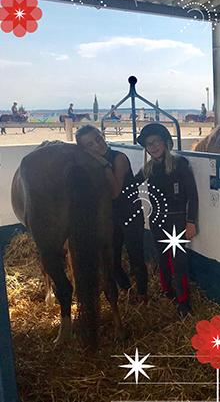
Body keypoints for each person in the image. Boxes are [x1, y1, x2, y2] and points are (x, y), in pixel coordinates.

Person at [75, 125, 148, 304]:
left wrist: (104, 166)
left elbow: (115, 192)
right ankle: (128, 291)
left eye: (98, 139)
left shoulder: (118, 158)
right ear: (84, 149)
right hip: (110, 217)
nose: (97, 145)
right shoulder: (88, 165)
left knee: (135, 256)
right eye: (90, 144)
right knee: (112, 261)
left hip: (130, 212)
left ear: (102, 136)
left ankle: (143, 297)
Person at [136, 123, 198, 318]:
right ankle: (167, 292)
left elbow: (192, 196)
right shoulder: (149, 168)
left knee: (178, 261)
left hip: (178, 221)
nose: (153, 147)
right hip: (157, 220)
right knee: (162, 259)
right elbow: (130, 185)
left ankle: (183, 302)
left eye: (156, 142)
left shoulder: (180, 164)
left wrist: (191, 221)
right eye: (148, 144)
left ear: (165, 143)